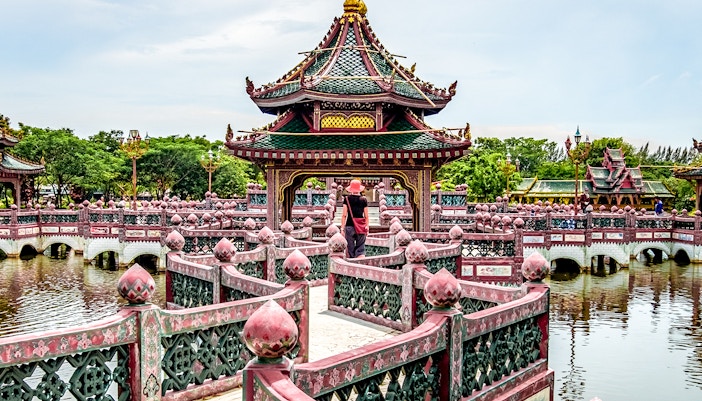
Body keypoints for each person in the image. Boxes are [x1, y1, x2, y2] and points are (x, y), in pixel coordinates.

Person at [341, 179, 369, 258]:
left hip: (349, 226)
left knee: (350, 248)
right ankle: (360, 264)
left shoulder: (347, 199)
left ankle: (352, 265)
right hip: (361, 226)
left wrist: (342, 228)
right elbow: (366, 215)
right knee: (360, 248)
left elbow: (344, 215)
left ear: (351, 189)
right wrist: (367, 226)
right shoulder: (364, 199)